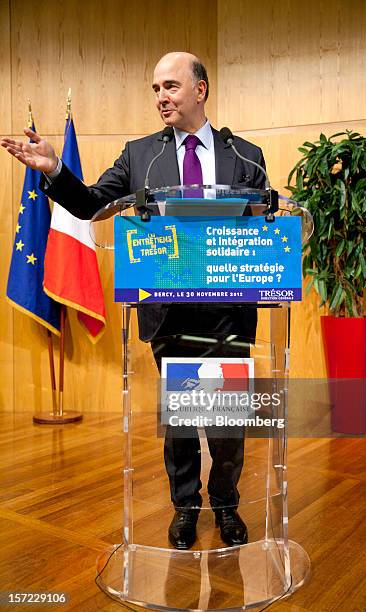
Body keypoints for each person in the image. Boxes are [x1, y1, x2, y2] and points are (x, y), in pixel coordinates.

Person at [1, 51, 266, 550]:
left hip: (230, 309)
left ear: (200, 90)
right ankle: (186, 508)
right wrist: (55, 169)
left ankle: (227, 505)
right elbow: (92, 204)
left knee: (226, 419)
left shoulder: (246, 155)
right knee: (183, 419)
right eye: (155, 89)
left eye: (170, 86)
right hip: (167, 308)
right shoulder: (140, 153)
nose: (161, 98)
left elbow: (264, 227)